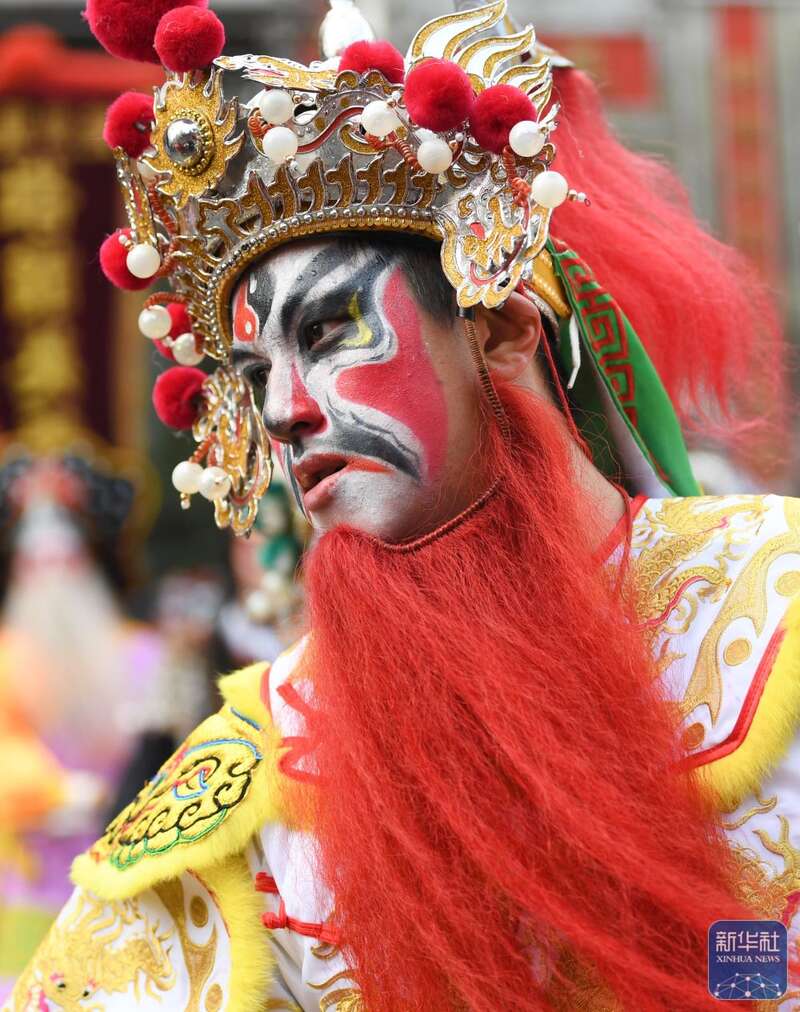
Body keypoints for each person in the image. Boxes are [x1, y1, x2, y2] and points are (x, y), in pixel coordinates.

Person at [7, 1, 798, 1010]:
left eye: (330, 333)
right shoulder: (254, 772)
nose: (286, 411)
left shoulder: (772, 601)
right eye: (256, 373)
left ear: (499, 331)